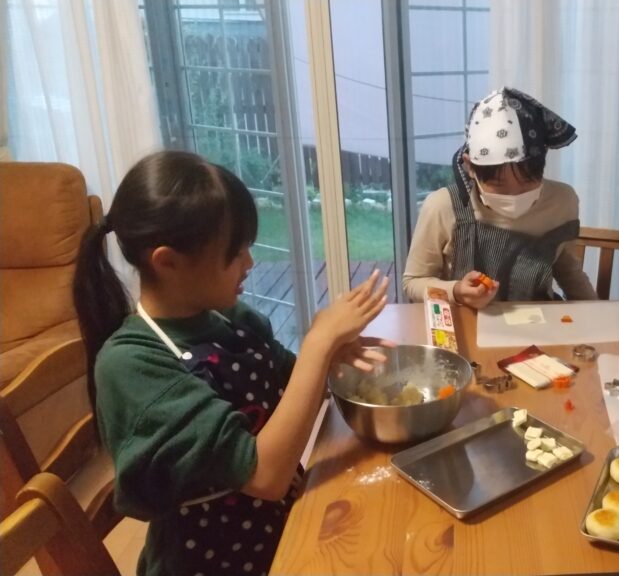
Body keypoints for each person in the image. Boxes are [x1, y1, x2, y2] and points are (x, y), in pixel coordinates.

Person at [72, 151, 391, 576]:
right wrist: (317, 346)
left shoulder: (230, 319)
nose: (250, 263)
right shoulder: (131, 366)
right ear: (167, 262)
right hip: (211, 563)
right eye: (234, 252)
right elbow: (265, 476)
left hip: (283, 530)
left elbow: (297, 398)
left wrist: (328, 358)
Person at [402, 87, 597, 307]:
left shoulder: (562, 201)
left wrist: (598, 314)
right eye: (498, 184)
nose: (515, 194)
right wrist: (455, 291)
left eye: (528, 181)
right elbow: (413, 281)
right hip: (466, 319)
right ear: (470, 167)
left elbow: (568, 271)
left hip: (537, 320)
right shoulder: (442, 206)